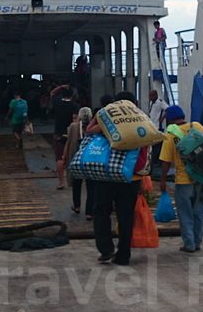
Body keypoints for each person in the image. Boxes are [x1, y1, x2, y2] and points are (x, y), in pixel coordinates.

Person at [89, 91, 150, 266]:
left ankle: (106, 248)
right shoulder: (142, 120)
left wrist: (100, 114)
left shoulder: (110, 121)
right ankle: (124, 255)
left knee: (101, 211)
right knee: (126, 215)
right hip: (131, 177)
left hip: (108, 174)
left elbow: (89, 131)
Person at [158, 105, 203, 252]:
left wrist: (162, 180)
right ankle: (197, 242)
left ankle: (189, 244)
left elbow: (166, 161)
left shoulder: (170, 134)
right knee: (199, 212)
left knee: (185, 213)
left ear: (169, 119)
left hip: (183, 179)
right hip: (202, 178)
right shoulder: (197, 126)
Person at [63, 106, 95, 219]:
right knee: (91, 186)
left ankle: (76, 206)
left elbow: (68, 142)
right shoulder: (94, 127)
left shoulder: (73, 126)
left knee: (76, 183)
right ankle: (89, 212)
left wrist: (65, 157)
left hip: (76, 159)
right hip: (90, 159)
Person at [51, 85, 79, 188]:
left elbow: (52, 93)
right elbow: (75, 120)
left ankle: (61, 182)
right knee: (73, 156)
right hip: (70, 134)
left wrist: (61, 87)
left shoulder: (57, 102)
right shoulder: (75, 106)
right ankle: (72, 180)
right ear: (72, 95)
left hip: (58, 133)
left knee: (59, 158)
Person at [147, 89, 167, 172]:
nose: (150, 97)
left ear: (156, 95)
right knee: (154, 145)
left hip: (159, 126)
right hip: (153, 126)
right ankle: (155, 161)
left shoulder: (160, 102)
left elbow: (168, 109)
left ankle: (158, 162)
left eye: (152, 96)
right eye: (150, 96)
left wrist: (162, 118)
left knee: (158, 145)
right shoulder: (152, 103)